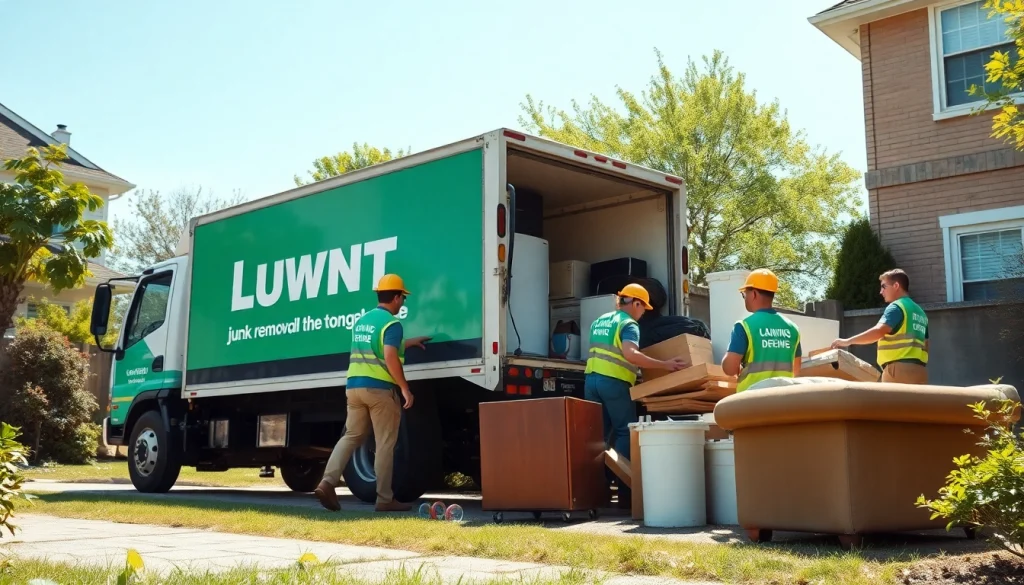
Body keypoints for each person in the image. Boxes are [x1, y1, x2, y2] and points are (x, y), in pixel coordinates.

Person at [314, 274, 431, 513]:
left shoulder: (363, 321)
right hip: (379, 391)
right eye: (403, 298)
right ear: (396, 297)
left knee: (351, 437)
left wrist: (408, 343)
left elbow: (377, 346)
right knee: (385, 443)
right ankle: (384, 499)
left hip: (354, 389)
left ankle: (327, 482)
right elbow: (388, 355)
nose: (403, 303)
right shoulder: (392, 324)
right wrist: (405, 388)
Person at [584, 283, 688, 460]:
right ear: (636, 303)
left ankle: (599, 482)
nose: (643, 313)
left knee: (597, 436)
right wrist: (664, 364)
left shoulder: (599, 321)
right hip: (614, 382)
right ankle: (624, 483)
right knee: (625, 431)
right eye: (643, 308)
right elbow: (630, 354)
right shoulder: (629, 324)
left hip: (591, 382)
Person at [831, 268, 929, 384]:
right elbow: (926, 344)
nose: (881, 291)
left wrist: (848, 341)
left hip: (897, 371)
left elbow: (878, 331)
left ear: (896, 285)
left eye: (884, 286)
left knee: (893, 403)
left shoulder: (896, 307)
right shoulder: (920, 312)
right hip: (920, 371)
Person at [722, 269, 802, 392]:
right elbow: (796, 370)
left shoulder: (744, 326)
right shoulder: (793, 328)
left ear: (753, 294)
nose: (744, 298)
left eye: (744, 294)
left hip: (751, 400)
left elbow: (729, 369)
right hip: (784, 400)